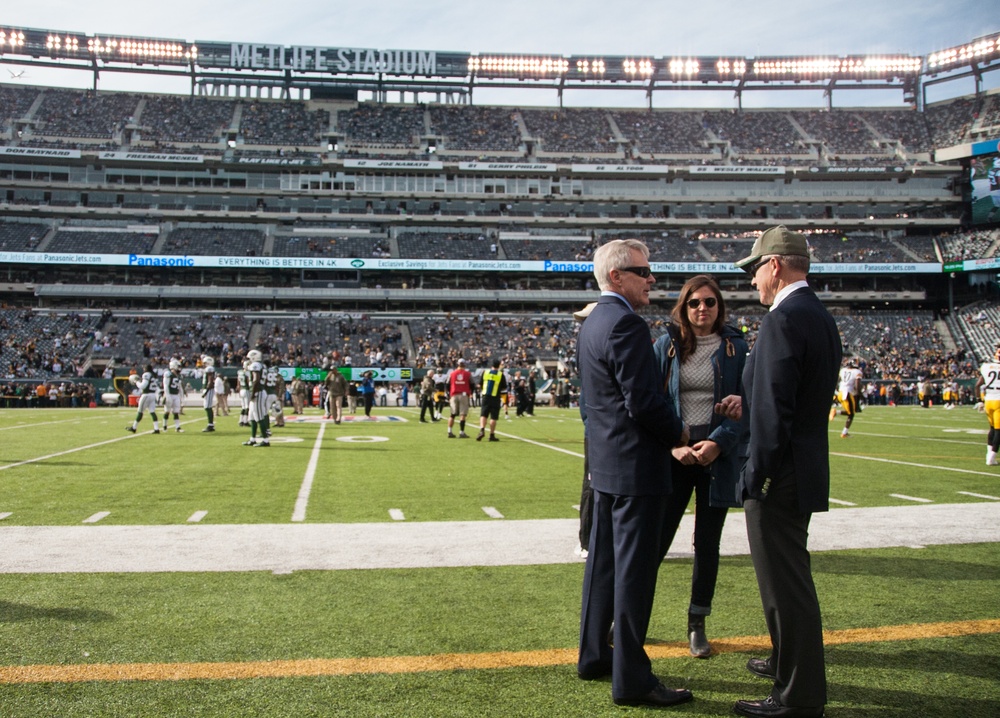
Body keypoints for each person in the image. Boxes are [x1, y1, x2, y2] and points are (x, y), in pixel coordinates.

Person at [719, 225, 841, 718]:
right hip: (802, 466)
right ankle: (782, 661)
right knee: (787, 579)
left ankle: (797, 696)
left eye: (754, 270)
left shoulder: (783, 319)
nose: (752, 281)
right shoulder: (816, 315)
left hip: (780, 472)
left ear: (775, 265)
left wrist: (758, 476)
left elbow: (774, 413)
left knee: (784, 585)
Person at [575, 239, 692, 708]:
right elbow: (642, 402)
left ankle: (592, 656)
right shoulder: (624, 322)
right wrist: (680, 433)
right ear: (618, 276)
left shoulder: (595, 321)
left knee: (602, 567)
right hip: (636, 469)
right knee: (634, 576)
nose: (652, 279)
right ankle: (632, 680)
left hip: (606, 465)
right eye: (644, 271)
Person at [652, 274, 748, 659]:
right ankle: (628, 618)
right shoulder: (666, 346)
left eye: (709, 302)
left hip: (716, 456)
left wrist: (718, 443)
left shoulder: (737, 348)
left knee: (707, 544)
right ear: (683, 306)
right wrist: (673, 445)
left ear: (719, 306)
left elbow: (748, 406)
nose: (702, 309)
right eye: (694, 303)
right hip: (676, 454)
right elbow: (652, 403)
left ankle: (697, 622)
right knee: (656, 541)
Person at [573, 302, 597, 560]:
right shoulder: (588, 346)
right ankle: (587, 540)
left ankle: (590, 539)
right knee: (591, 486)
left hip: (599, 426)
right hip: (597, 429)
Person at [974, 345, 1000, 466]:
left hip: (988, 401)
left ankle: (989, 455)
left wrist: (979, 400)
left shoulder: (986, 367)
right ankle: (991, 457)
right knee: (999, 431)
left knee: (992, 429)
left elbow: (977, 385)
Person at [476, 359, 507, 442]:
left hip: (485, 396)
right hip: (495, 397)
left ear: (491, 365)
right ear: (499, 366)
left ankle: (482, 430)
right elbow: (504, 387)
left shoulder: (485, 372)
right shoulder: (501, 375)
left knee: (483, 414)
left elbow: (480, 384)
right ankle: (491, 435)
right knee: (493, 416)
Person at [244, 349, 270, 447]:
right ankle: (252, 439)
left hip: (257, 392)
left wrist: (253, 393)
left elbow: (256, 380)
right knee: (252, 417)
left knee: (259, 417)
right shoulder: (262, 365)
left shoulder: (256, 365)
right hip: (259, 391)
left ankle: (265, 440)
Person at [125, 364, 161, 434]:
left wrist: (136, 382)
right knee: (152, 412)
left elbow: (143, 386)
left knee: (140, 411)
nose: (143, 369)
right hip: (153, 395)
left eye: (144, 368)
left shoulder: (146, 374)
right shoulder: (153, 375)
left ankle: (134, 427)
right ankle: (156, 429)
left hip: (146, 395)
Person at [836, 357, 863, 438]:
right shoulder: (857, 372)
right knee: (851, 414)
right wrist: (859, 394)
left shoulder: (842, 370)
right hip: (847, 393)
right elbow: (857, 385)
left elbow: (837, 381)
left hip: (840, 393)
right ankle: (844, 433)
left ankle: (836, 412)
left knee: (851, 412)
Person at [447, 358, 473, 438]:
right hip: (464, 395)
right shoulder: (468, 374)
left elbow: (447, 384)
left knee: (452, 414)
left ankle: (449, 431)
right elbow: (472, 384)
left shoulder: (452, 373)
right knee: (463, 414)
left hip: (454, 395)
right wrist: (471, 392)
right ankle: (461, 432)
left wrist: (449, 394)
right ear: (464, 364)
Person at [162, 359, 184, 432]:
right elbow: (166, 386)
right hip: (169, 394)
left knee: (176, 411)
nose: (179, 368)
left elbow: (180, 387)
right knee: (167, 411)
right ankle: (164, 426)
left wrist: (181, 397)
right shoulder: (168, 374)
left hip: (176, 395)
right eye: (178, 366)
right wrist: (167, 396)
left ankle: (177, 427)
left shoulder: (178, 376)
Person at [200, 359, 217, 433]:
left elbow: (210, 381)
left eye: (205, 363)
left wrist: (206, 392)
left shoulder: (209, 369)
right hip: (209, 389)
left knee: (208, 407)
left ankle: (210, 425)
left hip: (209, 390)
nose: (203, 364)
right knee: (207, 407)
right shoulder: (209, 369)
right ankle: (210, 425)